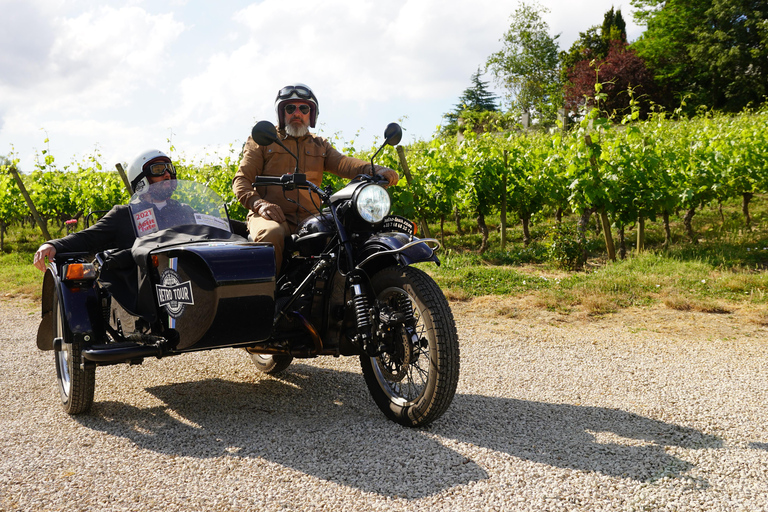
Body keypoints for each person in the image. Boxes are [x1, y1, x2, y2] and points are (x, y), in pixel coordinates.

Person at [232, 83, 399, 273]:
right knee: (271, 234)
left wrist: (376, 169)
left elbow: (344, 163)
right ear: (281, 113)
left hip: (308, 218)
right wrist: (259, 204)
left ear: (311, 114)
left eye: (303, 108)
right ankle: (266, 297)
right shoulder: (262, 141)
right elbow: (241, 180)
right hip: (271, 216)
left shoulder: (319, 145)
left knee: (345, 235)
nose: (297, 113)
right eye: (290, 108)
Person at [33, 149, 195, 271]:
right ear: (141, 179)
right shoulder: (125, 214)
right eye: (159, 169)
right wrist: (52, 244)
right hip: (143, 291)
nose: (167, 174)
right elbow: (88, 237)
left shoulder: (184, 211)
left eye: (170, 169)